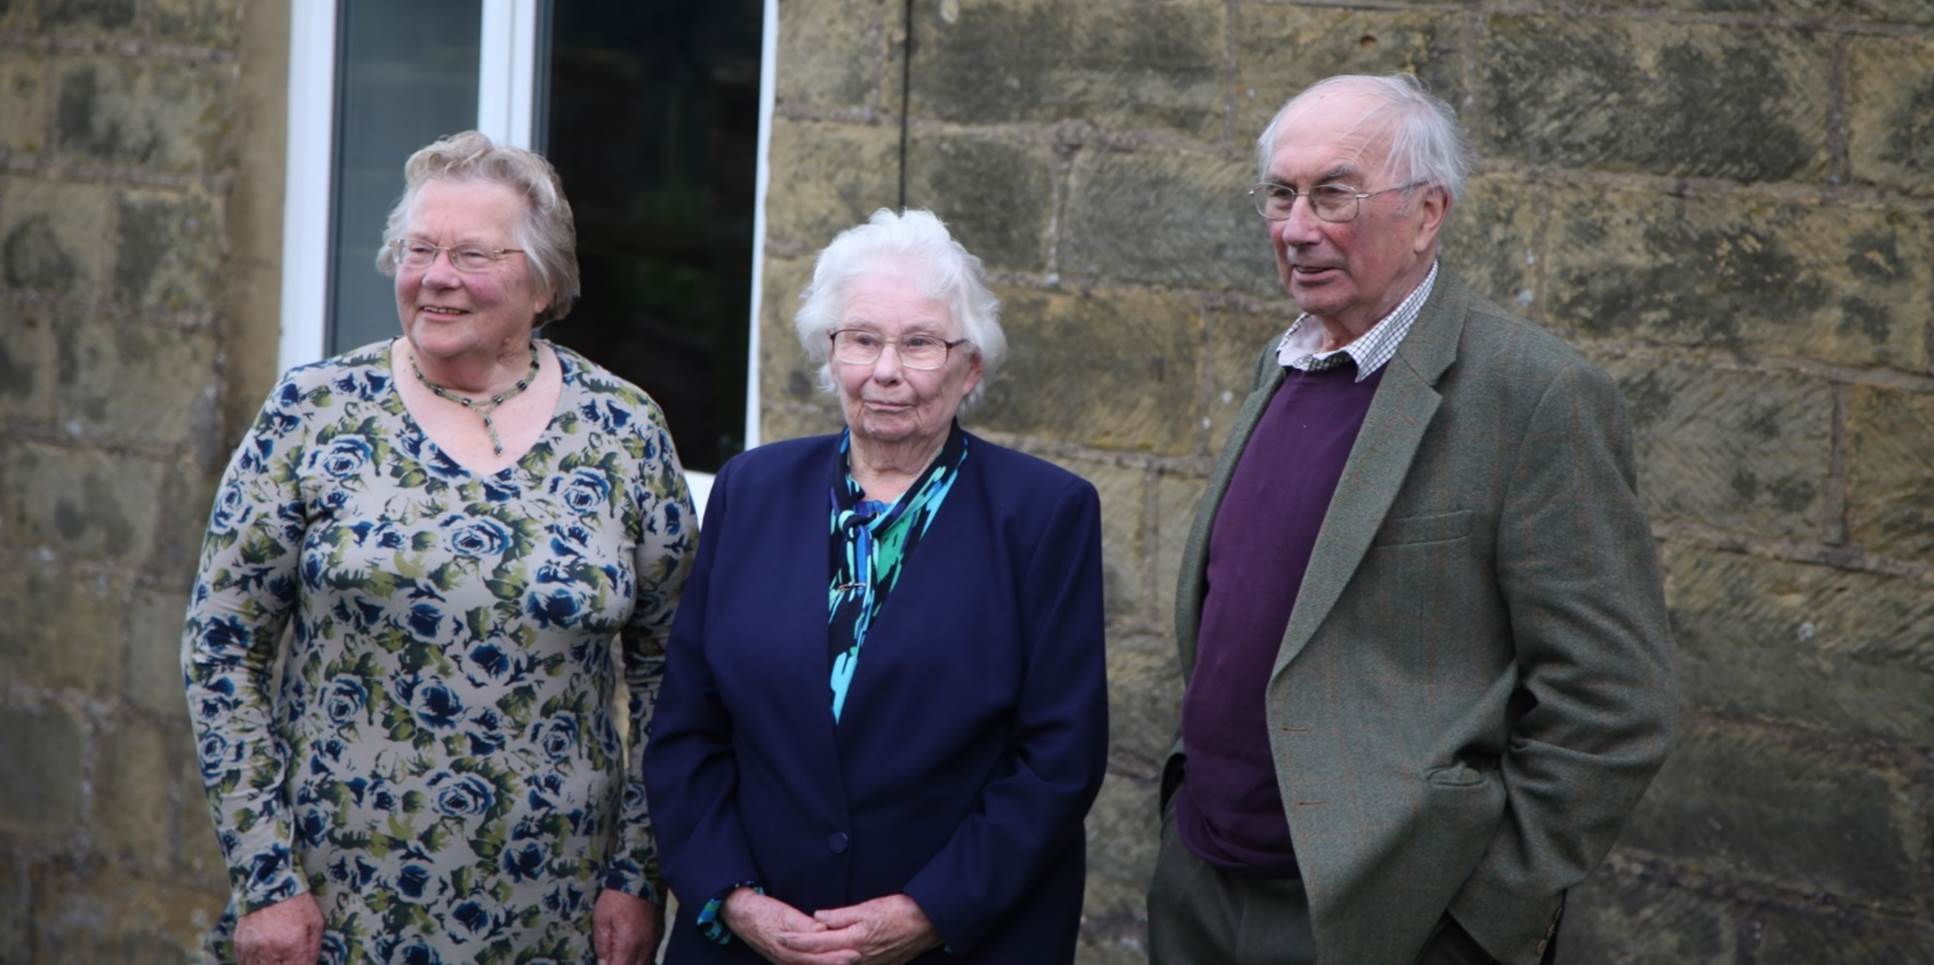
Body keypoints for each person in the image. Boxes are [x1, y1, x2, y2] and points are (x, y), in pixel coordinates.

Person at [1146, 74, 1677, 965]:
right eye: (1281, 194)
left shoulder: (1531, 391)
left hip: (1382, 917)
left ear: (1429, 213)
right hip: (1203, 879)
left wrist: (1479, 924)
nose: (1297, 228)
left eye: (1333, 194)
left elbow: (1617, 702)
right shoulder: (1281, 364)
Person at [181, 130, 696, 965]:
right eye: (419, 250)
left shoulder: (623, 429)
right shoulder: (314, 411)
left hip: (559, 906)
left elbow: (673, 671)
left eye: (471, 254)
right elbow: (221, 649)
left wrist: (639, 873)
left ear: (541, 281)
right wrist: (266, 875)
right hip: (337, 899)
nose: (437, 276)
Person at [643, 208, 1109, 963]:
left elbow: (1059, 758)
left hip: (955, 939)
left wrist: (929, 909)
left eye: (920, 342)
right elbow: (687, 730)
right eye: (861, 339)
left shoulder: (1044, 514)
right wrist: (732, 897)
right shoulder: (749, 490)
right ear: (830, 355)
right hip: (750, 940)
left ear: (973, 366)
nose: (886, 370)